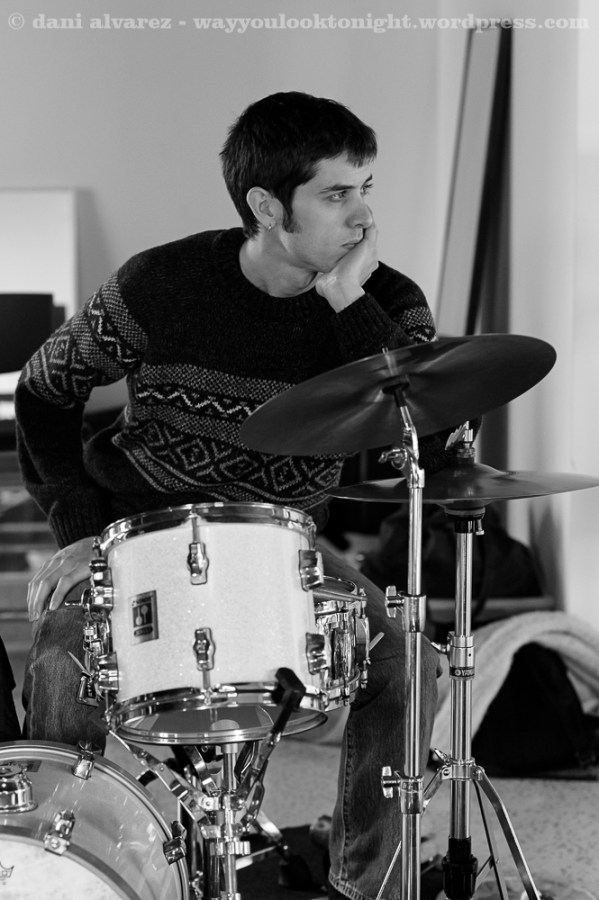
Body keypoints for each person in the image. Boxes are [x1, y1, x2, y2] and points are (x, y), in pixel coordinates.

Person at [15, 91, 447, 900]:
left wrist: (347, 303)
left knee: (406, 663)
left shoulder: (384, 301)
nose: (362, 217)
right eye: (335, 194)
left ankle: (367, 883)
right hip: (139, 529)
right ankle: (61, 873)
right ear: (266, 206)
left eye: (365, 188)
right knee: (66, 655)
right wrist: (77, 531)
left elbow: (434, 431)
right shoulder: (158, 285)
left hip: (281, 544)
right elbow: (42, 392)